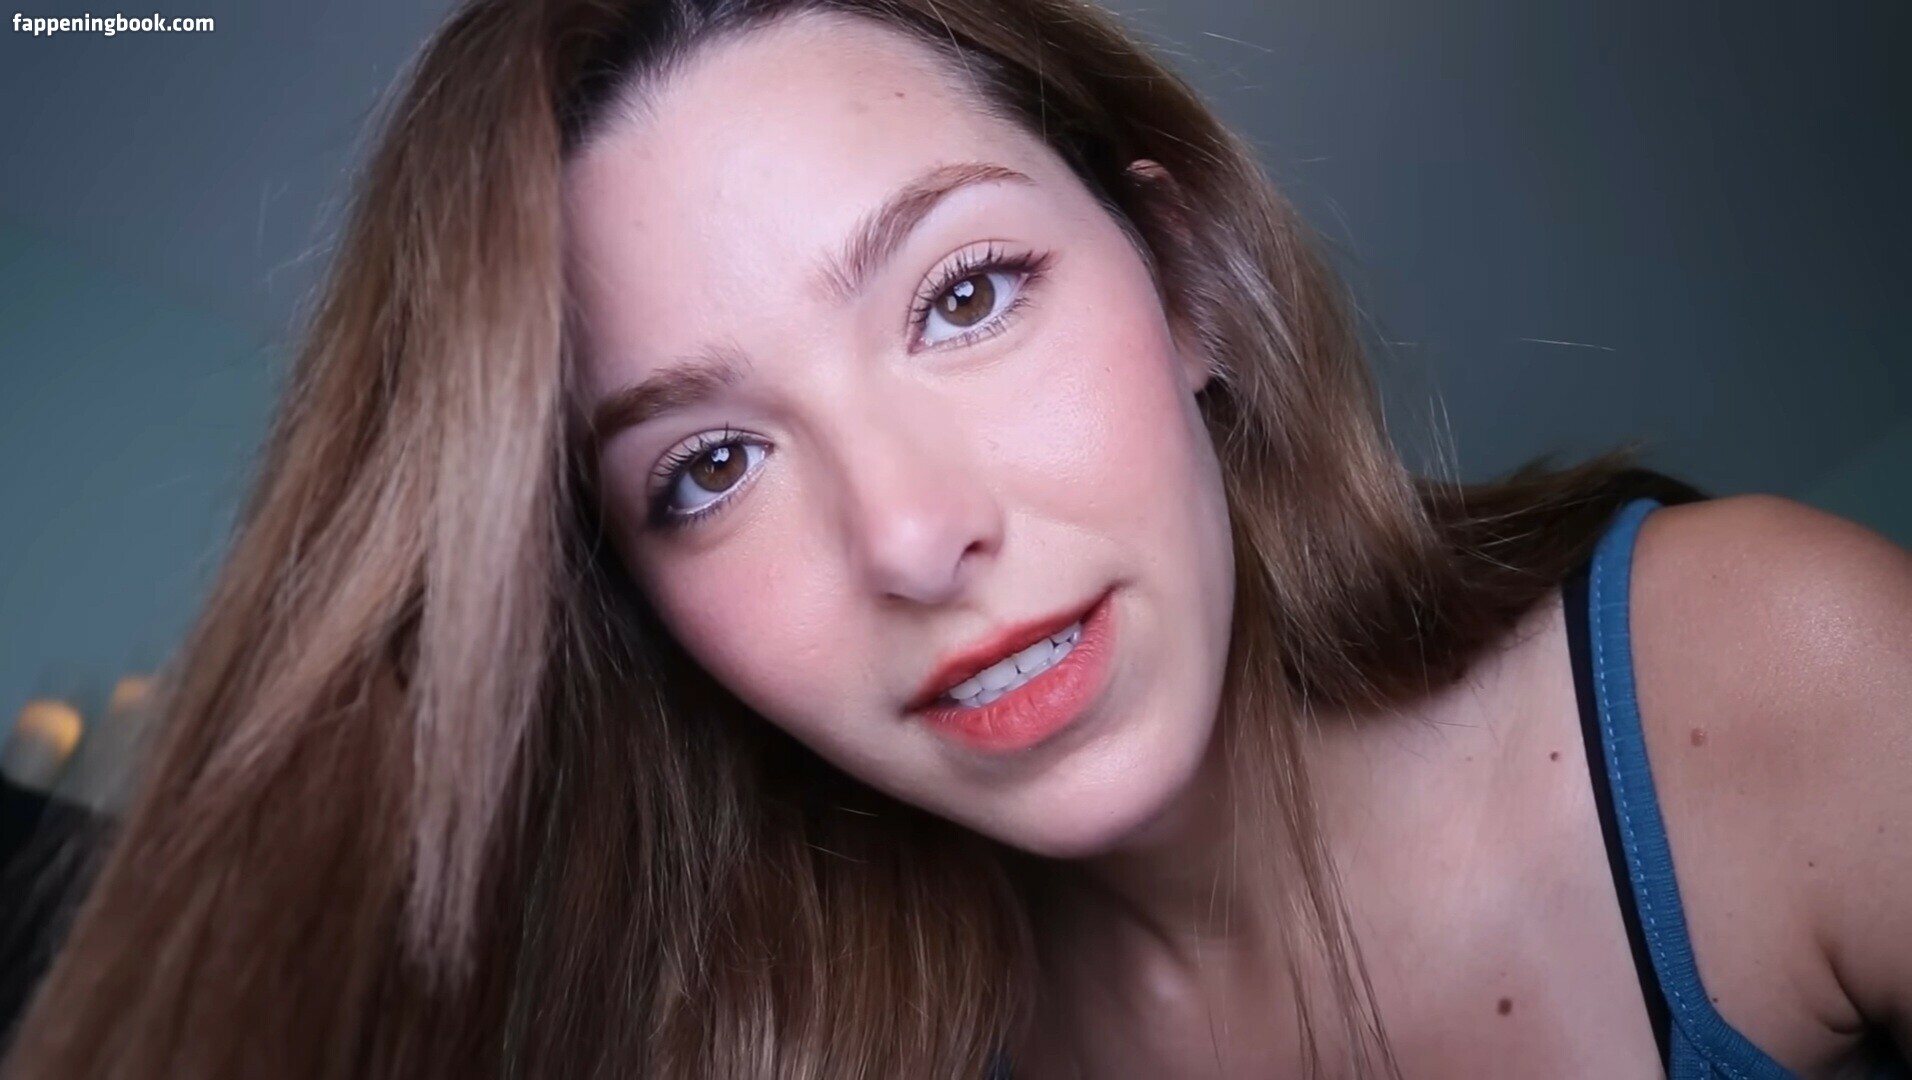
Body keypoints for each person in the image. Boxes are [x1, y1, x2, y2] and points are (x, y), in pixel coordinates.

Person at [5, 0, 1908, 1076]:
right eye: (709, 469)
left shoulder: (1761, 678)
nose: (912, 536)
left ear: (1185, 286)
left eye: (966, 294)